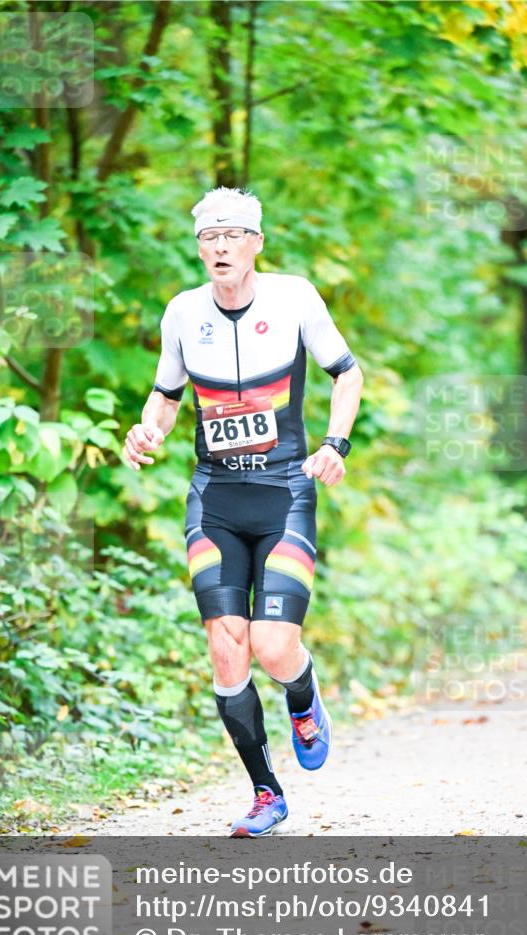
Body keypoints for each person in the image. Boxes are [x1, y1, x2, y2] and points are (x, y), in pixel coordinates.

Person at [123, 187, 363, 836]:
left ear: (256, 242)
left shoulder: (294, 298)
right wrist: (147, 430)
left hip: (284, 489)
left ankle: (303, 696)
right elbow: (164, 395)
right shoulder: (181, 313)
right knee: (227, 652)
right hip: (215, 497)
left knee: (272, 643)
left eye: (232, 234)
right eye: (208, 236)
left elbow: (347, 373)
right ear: (198, 246)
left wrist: (334, 445)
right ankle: (265, 793)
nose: (220, 246)